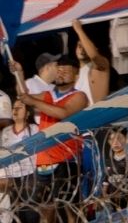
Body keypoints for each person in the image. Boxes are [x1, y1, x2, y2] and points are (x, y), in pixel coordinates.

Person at [22, 55, 87, 221]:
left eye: (66, 71)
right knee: (46, 211)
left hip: (66, 158)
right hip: (44, 158)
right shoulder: (48, 94)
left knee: (70, 209)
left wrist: (33, 102)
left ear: (76, 75)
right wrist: (19, 73)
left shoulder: (79, 96)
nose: (61, 74)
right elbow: (23, 95)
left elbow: (63, 113)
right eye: (59, 70)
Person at [71, 19, 111, 104]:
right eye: (79, 46)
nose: (82, 50)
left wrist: (79, 30)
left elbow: (94, 56)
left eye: (85, 46)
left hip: (98, 114)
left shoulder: (100, 66)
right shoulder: (75, 75)